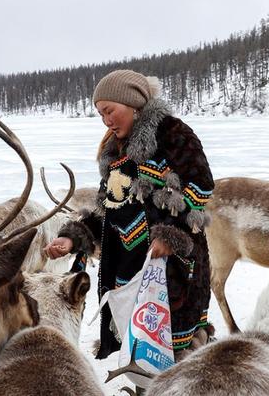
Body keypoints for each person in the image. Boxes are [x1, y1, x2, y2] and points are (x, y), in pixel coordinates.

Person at [44, 69, 214, 360]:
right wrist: (74, 238)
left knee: (178, 360)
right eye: (100, 114)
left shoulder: (174, 135)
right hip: (129, 276)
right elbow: (110, 212)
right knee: (139, 357)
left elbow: (199, 188)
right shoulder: (116, 154)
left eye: (110, 110)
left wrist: (169, 236)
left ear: (134, 104)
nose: (106, 121)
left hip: (173, 276)